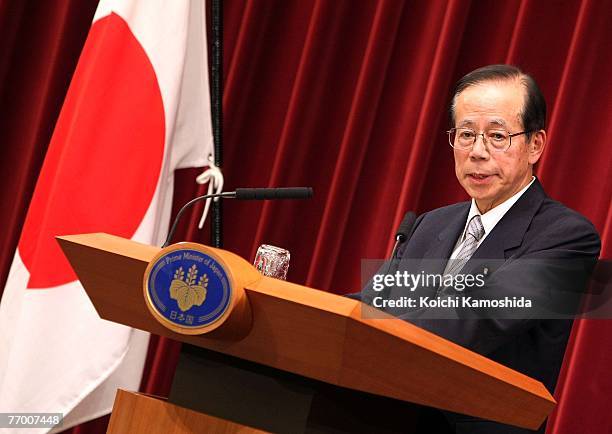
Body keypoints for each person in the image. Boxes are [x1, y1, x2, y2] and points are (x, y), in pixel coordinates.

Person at [352, 64, 601, 433]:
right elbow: (373, 304)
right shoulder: (429, 226)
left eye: (497, 136)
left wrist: (373, 330)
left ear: (535, 145)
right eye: (466, 134)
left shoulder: (568, 237)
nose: (477, 152)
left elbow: (477, 317)